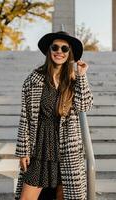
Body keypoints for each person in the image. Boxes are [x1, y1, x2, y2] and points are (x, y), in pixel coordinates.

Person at [15, 31, 93, 200]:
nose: (60, 51)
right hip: (40, 147)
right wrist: (23, 150)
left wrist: (82, 76)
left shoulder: (73, 80)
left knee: (63, 196)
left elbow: (84, 105)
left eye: (65, 48)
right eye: (55, 47)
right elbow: (25, 117)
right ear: (49, 51)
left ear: (69, 53)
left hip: (66, 149)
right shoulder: (34, 79)